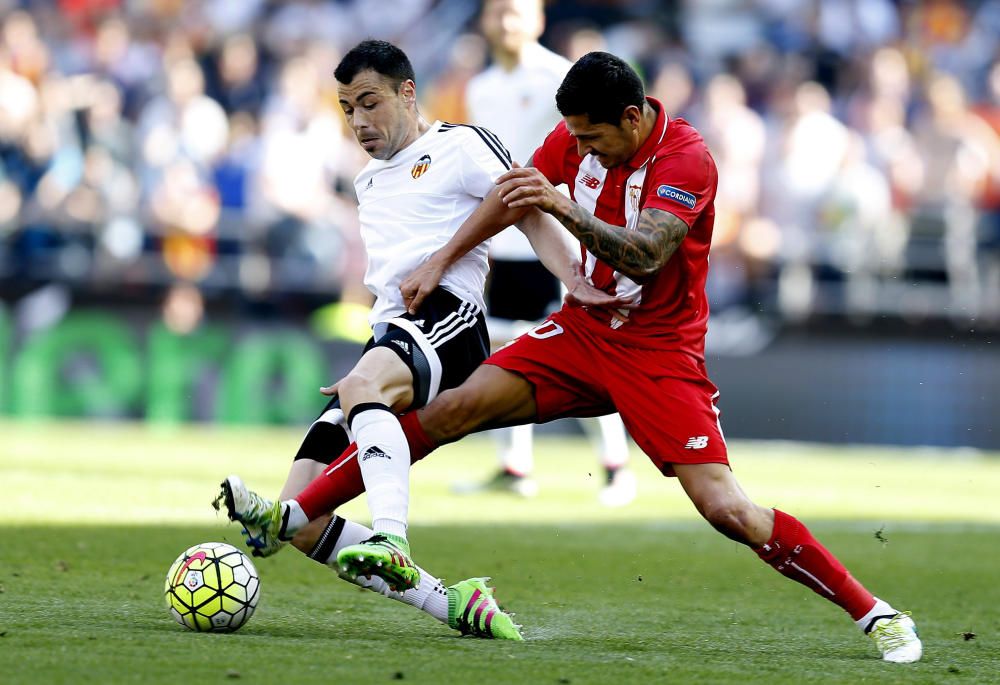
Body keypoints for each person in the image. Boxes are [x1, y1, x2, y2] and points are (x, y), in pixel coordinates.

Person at [226, 52, 922, 664]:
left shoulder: (686, 159)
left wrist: (564, 207)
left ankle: (877, 613)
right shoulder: (577, 135)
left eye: (593, 139)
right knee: (451, 406)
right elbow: (513, 194)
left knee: (726, 509)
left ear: (631, 117)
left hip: (658, 351)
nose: (582, 150)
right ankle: (291, 514)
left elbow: (646, 252)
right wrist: (443, 258)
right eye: (575, 139)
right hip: (583, 333)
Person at [216, 39, 619, 641]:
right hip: (388, 336)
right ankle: (453, 603)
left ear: (408, 93)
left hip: (451, 320)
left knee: (361, 385)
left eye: (370, 103)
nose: (358, 121)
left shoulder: (459, 144)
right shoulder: (366, 183)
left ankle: (391, 536)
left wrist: (576, 281)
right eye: (348, 108)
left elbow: (527, 205)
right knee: (298, 523)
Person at [458, 0, 635, 505]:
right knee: (505, 349)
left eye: (515, 11)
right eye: (496, 11)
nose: (505, 21)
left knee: (575, 351)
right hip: (504, 238)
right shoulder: (480, 87)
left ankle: (616, 465)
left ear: (538, 19)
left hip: (553, 238)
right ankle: (515, 466)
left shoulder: (562, 78)